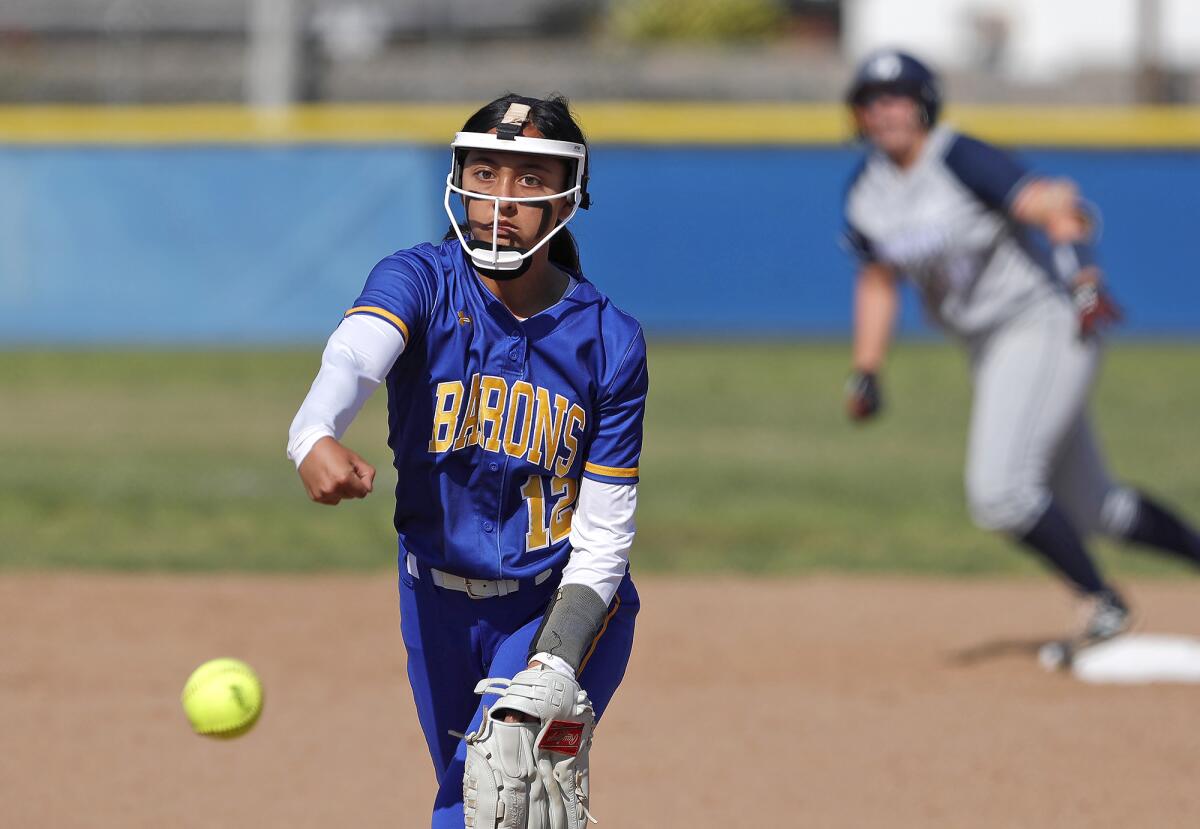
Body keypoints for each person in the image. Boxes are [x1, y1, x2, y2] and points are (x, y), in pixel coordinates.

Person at [286, 93, 646, 827]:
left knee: (497, 800)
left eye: (528, 178)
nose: (500, 200)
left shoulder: (609, 340)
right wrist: (314, 431)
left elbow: (606, 533)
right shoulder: (421, 278)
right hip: (432, 601)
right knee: (470, 796)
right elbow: (356, 354)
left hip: (549, 599)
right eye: (485, 172)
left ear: (569, 194)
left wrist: (553, 658)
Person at [840, 50, 1200, 650]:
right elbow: (878, 278)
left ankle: (1102, 602)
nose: (887, 110)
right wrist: (867, 368)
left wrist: (1086, 278)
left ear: (925, 102)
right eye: (873, 100)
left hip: (1043, 326)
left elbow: (1059, 208)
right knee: (1096, 508)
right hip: (988, 346)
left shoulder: (960, 157)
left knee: (1002, 493)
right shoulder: (866, 191)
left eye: (900, 96)